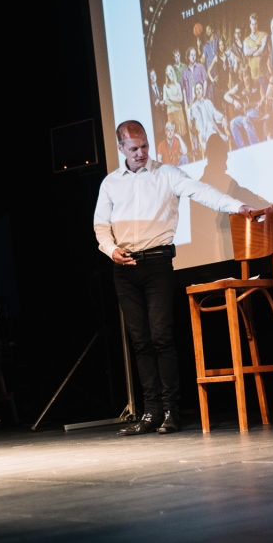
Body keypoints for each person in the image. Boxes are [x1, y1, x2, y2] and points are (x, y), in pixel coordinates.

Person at [94, 120, 253, 435]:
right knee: (140, 342)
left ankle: (170, 410)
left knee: (161, 337)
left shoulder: (166, 174)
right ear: (121, 148)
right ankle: (150, 412)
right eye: (134, 148)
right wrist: (111, 249)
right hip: (124, 268)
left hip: (157, 264)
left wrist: (236, 206)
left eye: (144, 146)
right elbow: (101, 225)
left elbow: (202, 192)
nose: (141, 153)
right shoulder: (110, 183)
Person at [189, 81, 229, 157]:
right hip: (203, 133)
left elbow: (215, 113)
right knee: (213, 138)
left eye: (200, 88)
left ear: (203, 90)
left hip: (213, 130)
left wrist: (222, 117)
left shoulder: (208, 102)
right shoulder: (194, 107)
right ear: (195, 92)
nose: (198, 91)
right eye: (197, 89)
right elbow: (194, 124)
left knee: (214, 133)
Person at [162, 64, 191, 157]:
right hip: (170, 112)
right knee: (173, 134)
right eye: (167, 74)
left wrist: (170, 98)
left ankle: (185, 152)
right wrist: (174, 99)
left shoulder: (178, 85)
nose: (169, 75)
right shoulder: (165, 86)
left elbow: (180, 99)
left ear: (173, 73)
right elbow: (165, 101)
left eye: (170, 73)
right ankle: (177, 154)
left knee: (182, 132)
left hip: (179, 111)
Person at [243, 13, 269, 95]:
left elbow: (262, 49)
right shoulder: (246, 40)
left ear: (258, 24)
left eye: (256, 24)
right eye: (252, 24)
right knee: (254, 97)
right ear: (250, 25)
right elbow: (246, 53)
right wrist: (257, 47)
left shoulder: (263, 35)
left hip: (263, 72)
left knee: (264, 96)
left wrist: (253, 54)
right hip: (252, 74)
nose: (254, 26)